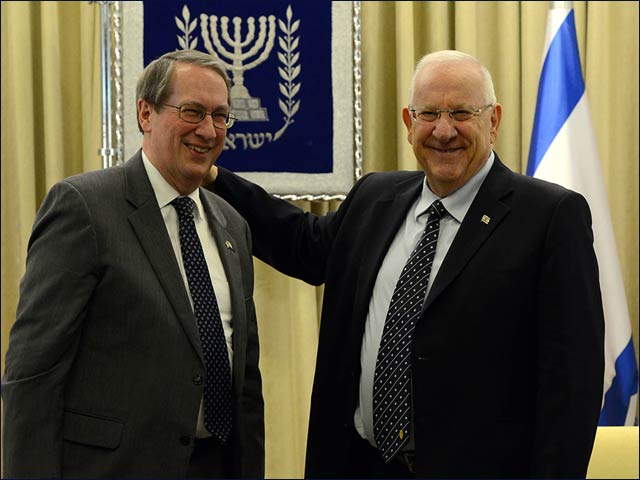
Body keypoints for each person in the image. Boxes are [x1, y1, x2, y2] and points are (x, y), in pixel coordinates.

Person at [204, 50, 604, 478]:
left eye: (461, 113)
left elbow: (571, 386)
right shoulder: (376, 196)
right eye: (429, 113)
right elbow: (302, 243)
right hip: (359, 465)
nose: (444, 130)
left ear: (494, 120)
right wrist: (209, 175)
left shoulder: (549, 216)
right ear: (409, 123)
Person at [2, 50, 264, 478]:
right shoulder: (84, 207)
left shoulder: (232, 224)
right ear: (146, 112)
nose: (208, 130)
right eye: (193, 111)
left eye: (220, 116)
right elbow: (33, 375)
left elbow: (245, 383)